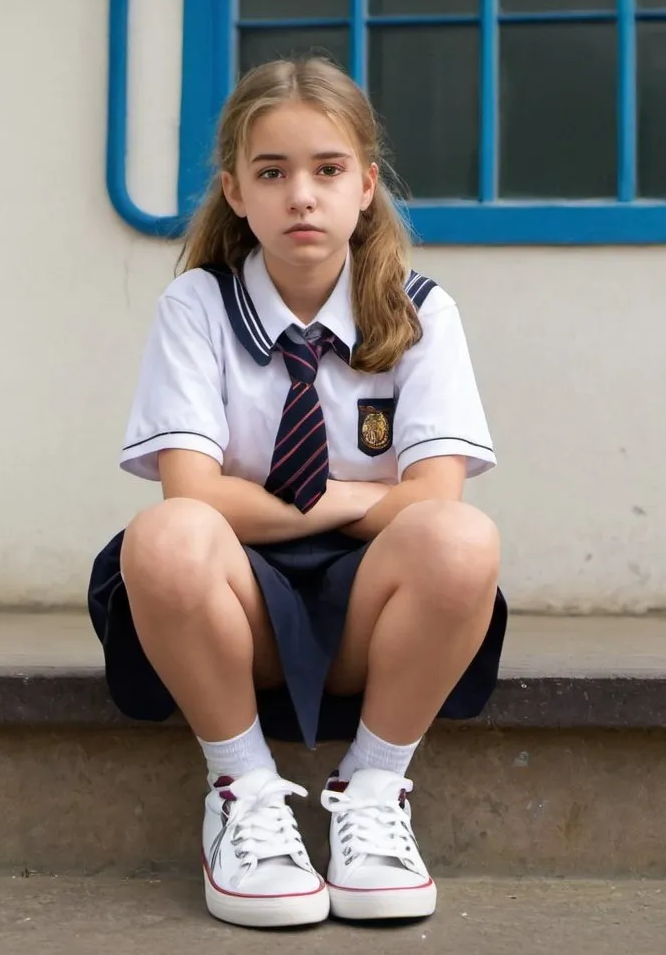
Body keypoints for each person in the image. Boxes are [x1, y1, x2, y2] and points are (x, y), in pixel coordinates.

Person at [88, 56, 507, 929]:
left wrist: (322, 510)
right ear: (236, 192)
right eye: (272, 173)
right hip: (232, 611)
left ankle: (374, 792)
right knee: (164, 536)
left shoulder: (421, 311)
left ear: (366, 185)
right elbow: (193, 495)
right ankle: (241, 791)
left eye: (326, 170)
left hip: (367, 611)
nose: (301, 197)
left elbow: (438, 505)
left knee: (463, 544)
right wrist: (357, 498)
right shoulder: (198, 309)